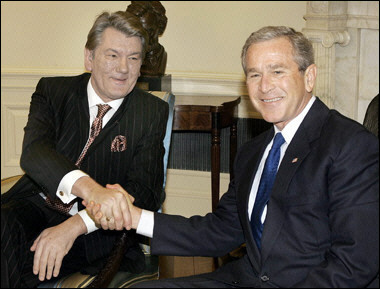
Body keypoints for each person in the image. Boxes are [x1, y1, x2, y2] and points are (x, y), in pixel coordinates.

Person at [87, 26, 379, 288]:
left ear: (309, 76)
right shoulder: (253, 153)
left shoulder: (350, 146)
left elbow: (354, 264)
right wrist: (134, 217)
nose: (265, 86)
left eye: (277, 71)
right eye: (254, 74)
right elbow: (219, 231)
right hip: (245, 278)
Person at [1, 10, 169, 288]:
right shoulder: (53, 91)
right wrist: (92, 190)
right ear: (89, 58)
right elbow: (35, 152)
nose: (124, 68)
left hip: (98, 229)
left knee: (18, 258)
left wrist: (75, 225)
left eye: (134, 58)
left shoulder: (150, 112)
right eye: (112, 55)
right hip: (34, 204)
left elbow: (145, 192)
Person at [126, 1, 168, 76]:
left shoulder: (160, 58)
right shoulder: (124, 57)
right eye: (137, 31)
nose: (143, 37)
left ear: (160, 28)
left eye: (148, 31)